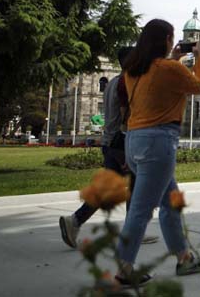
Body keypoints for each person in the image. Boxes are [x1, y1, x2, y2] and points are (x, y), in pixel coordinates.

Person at [115, 19, 200, 287]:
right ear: (168, 39)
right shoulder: (168, 68)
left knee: (170, 203)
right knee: (141, 211)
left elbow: (157, 84)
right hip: (158, 143)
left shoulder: (133, 70)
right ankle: (124, 270)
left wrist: (175, 60)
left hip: (134, 141)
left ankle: (185, 257)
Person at [59, 47, 159, 248]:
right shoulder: (127, 84)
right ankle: (132, 232)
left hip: (110, 142)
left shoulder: (113, 82)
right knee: (137, 187)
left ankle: (76, 221)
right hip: (123, 143)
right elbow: (128, 117)